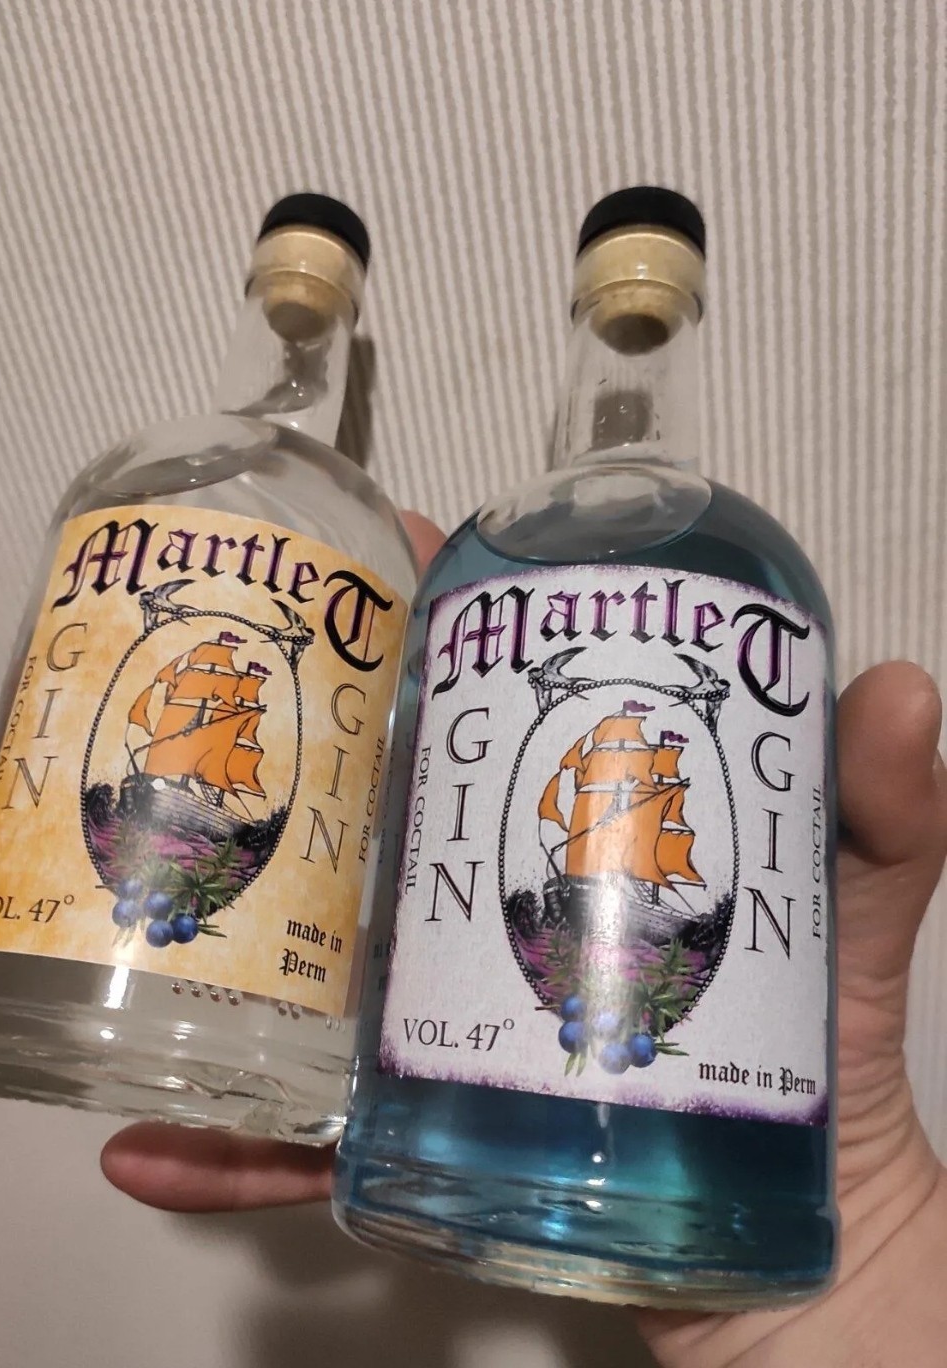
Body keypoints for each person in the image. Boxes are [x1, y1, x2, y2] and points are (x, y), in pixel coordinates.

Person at [101, 513, 947, 1367]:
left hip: (749, 1211)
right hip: (427, 1166)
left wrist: (876, 1221)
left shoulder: (757, 561)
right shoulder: (513, 566)